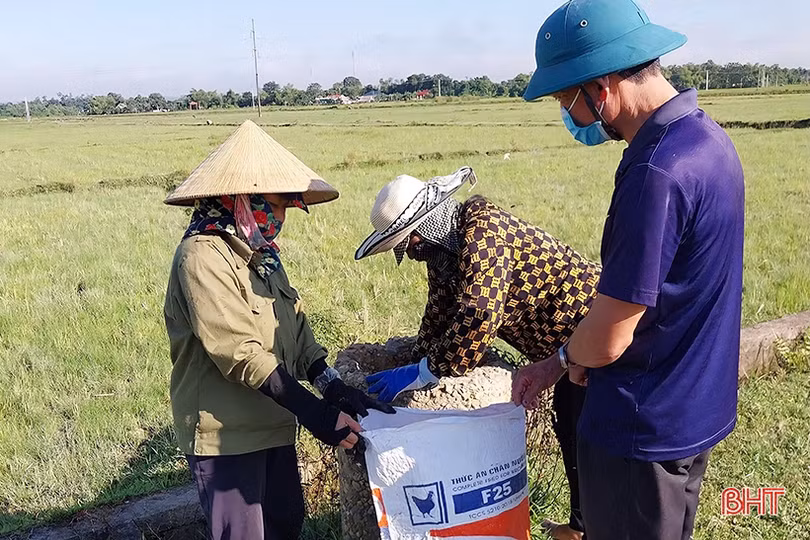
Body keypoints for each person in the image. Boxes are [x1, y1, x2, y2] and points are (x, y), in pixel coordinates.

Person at [513, 1, 745, 539]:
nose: (570, 116)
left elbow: (612, 334)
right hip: (693, 409)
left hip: (639, 430)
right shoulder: (707, 138)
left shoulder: (655, 170)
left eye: (566, 99)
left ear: (602, 87)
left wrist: (563, 359)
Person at [163, 120, 393, 540]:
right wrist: (317, 414)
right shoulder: (201, 257)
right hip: (228, 438)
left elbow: (296, 329)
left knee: (286, 525)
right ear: (240, 199)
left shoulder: (263, 258)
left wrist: (332, 384)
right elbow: (241, 354)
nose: (283, 216)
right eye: (279, 202)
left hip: (274, 424)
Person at [355, 166, 600, 540]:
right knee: (570, 426)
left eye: (410, 244)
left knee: (593, 435)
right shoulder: (447, 253)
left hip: (592, 328)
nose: (413, 253)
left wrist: (427, 370)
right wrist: (414, 355)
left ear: (424, 230)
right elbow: (439, 311)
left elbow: (478, 316)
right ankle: (581, 527)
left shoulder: (483, 232)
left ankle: (603, 526)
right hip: (560, 350)